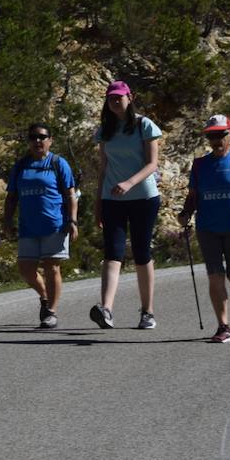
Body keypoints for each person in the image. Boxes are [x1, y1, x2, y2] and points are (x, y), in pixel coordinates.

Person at [177, 114, 230, 344]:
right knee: (215, 276)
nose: (216, 140)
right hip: (207, 227)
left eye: (221, 135)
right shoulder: (199, 165)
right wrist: (186, 213)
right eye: (212, 136)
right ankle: (223, 326)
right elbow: (193, 196)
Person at [90, 80, 162, 330]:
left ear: (130, 98)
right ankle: (106, 309)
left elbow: (153, 164)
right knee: (113, 253)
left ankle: (148, 312)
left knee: (142, 253)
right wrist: (98, 203)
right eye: (111, 98)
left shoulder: (144, 125)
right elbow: (103, 168)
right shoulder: (105, 130)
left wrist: (130, 183)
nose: (115, 101)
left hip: (143, 197)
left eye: (119, 97)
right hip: (113, 199)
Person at [3, 123, 78, 329]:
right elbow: (11, 197)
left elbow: (70, 195)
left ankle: (51, 312)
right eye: (33, 137)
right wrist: (7, 220)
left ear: (50, 140)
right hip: (28, 226)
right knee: (26, 269)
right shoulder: (21, 166)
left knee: (51, 267)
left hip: (54, 224)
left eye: (42, 137)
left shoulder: (58, 163)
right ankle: (44, 296)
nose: (38, 141)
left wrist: (72, 220)